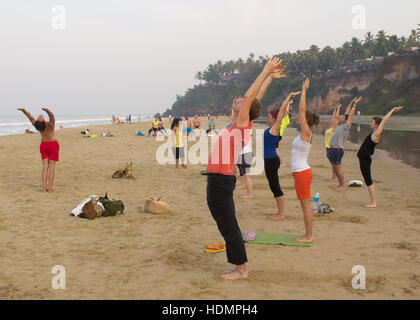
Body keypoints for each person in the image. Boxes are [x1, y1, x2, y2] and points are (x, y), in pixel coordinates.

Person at [206, 57, 285, 280]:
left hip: (220, 181)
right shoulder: (238, 124)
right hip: (218, 179)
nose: (241, 100)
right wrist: (269, 78)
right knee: (226, 224)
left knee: (229, 226)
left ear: (246, 111)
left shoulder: (242, 125)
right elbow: (255, 98)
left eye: (243, 103)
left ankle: (241, 270)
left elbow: (252, 98)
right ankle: (240, 267)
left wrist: (264, 70)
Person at [263, 91, 301, 220]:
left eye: (269, 116)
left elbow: (281, 113)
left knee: (275, 186)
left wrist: (288, 98)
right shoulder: (270, 128)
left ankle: (281, 214)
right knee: (273, 185)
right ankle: (279, 212)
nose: (267, 117)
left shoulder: (275, 127)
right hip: (269, 160)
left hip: (272, 160)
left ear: (274, 118)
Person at [292, 78, 320, 243]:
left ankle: (309, 236)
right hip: (300, 172)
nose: (298, 117)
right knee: (305, 206)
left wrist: (304, 91)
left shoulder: (306, 133)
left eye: (301, 118)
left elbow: (302, 111)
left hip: (302, 172)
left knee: (306, 206)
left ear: (305, 121)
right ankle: (307, 234)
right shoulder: (303, 134)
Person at [357, 106, 403, 208]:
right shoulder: (373, 133)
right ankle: (373, 202)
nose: (370, 123)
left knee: (368, 181)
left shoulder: (376, 134)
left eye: (372, 122)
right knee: (367, 180)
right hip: (363, 159)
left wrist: (392, 110)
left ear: (376, 124)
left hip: (365, 160)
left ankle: (373, 203)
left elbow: (384, 120)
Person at [18, 107, 59, 193]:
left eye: (39, 118)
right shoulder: (50, 125)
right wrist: (47, 111)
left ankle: (45, 189)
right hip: (52, 145)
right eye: (40, 118)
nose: (39, 116)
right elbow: (52, 117)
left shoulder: (37, 125)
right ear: (43, 121)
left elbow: (30, 117)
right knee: (50, 167)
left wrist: (24, 111)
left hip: (44, 145)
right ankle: (48, 189)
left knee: (45, 167)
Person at [328, 97, 362, 190]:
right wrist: (351, 102)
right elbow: (347, 113)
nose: (341, 117)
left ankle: (342, 185)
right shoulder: (339, 126)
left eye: (343, 117)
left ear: (345, 120)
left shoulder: (346, 126)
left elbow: (350, 115)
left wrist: (355, 104)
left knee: (338, 169)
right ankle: (340, 184)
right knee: (335, 168)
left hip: (337, 149)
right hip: (332, 149)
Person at [325, 104, 341, 182]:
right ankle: (335, 177)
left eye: (335, 121)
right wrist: (335, 109)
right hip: (327, 147)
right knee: (332, 164)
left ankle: (334, 177)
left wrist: (338, 109)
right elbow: (333, 117)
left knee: (333, 164)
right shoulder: (332, 128)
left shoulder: (336, 129)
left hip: (331, 148)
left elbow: (336, 117)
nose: (334, 121)